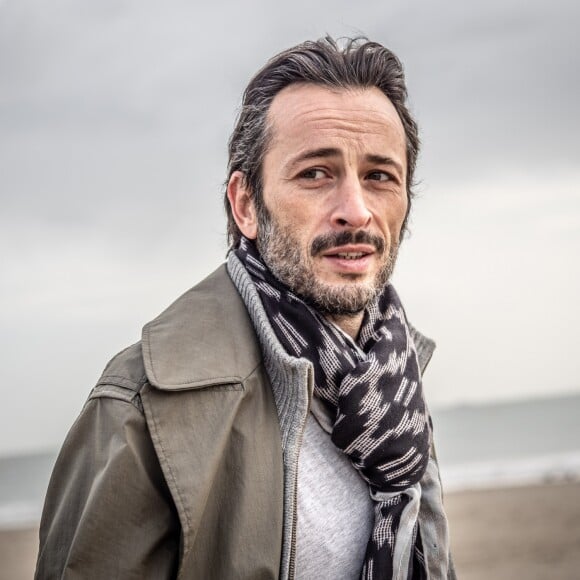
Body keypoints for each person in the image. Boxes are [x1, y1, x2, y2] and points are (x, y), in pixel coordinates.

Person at [35, 37, 455, 580]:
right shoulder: (143, 409)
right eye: (315, 174)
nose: (356, 211)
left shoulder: (392, 383)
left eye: (379, 176)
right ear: (246, 204)